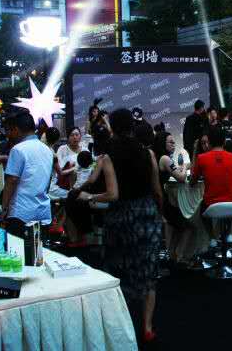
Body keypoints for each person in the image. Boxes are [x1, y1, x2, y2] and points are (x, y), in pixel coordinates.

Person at [89, 108, 162, 342]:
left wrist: (89, 197)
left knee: (118, 269)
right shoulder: (148, 154)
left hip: (119, 217)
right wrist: (159, 213)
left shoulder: (107, 155)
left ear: (112, 126)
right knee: (148, 272)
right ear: (132, 125)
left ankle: (123, 324)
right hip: (146, 216)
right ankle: (147, 327)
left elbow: (100, 187)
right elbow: (157, 190)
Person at [0, 110, 55, 236]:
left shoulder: (17, 149)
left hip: (21, 214)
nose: (9, 134)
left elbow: (11, 181)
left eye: (11, 130)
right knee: (40, 248)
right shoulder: (47, 150)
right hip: (43, 211)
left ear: (16, 130)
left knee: (19, 248)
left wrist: (4, 208)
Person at [152, 131, 190, 263]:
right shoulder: (165, 159)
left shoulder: (158, 157)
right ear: (163, 143)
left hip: (157, 197)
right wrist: (184, 166)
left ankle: (172, 255)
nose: (174, 144)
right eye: (171, 142)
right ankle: (177, 257)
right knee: (185, 226)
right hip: (161, 199)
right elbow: (181, 178)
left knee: (175, 225)